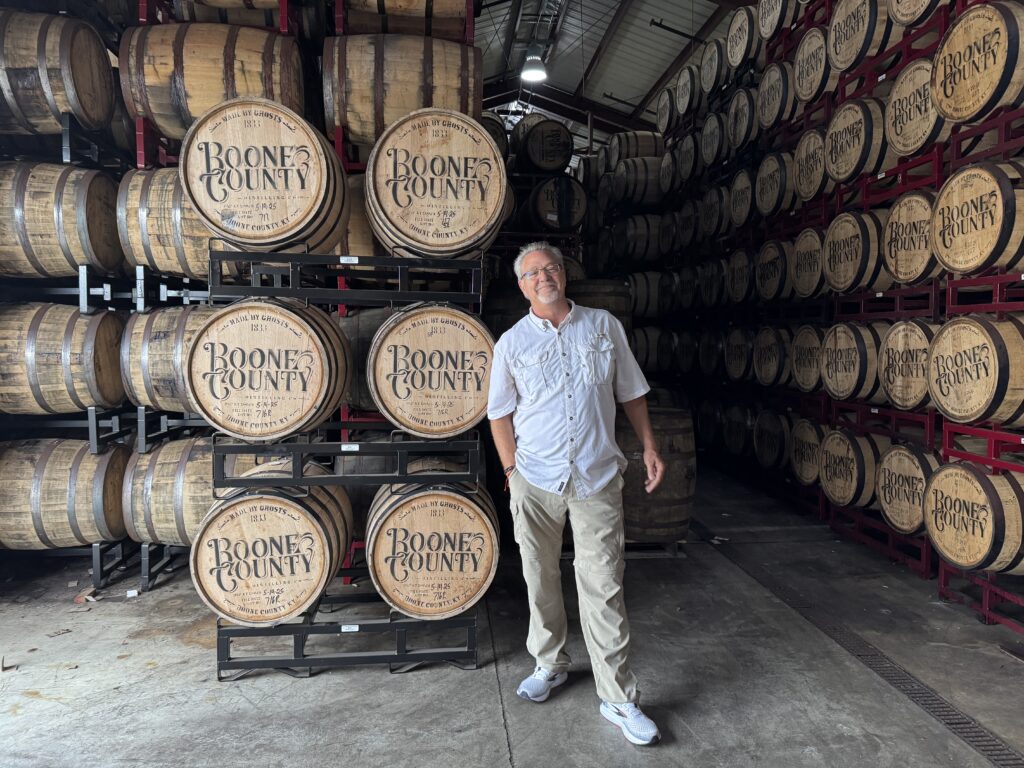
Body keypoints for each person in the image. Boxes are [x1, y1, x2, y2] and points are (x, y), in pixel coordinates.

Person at [486, 242, 666, 747]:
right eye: (533, 273)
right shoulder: (512, 343)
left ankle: (618, 697)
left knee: (604, 583)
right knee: (539, 576)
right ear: (522, 286)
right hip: (536, 479)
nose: (544, 277)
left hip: (596, 476)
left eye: (551, 268)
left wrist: (650, 445)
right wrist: (511, 471)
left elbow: (631, 393)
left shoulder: (603, 326)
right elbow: (499, 414)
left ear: (564, 275)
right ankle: (550, 663)